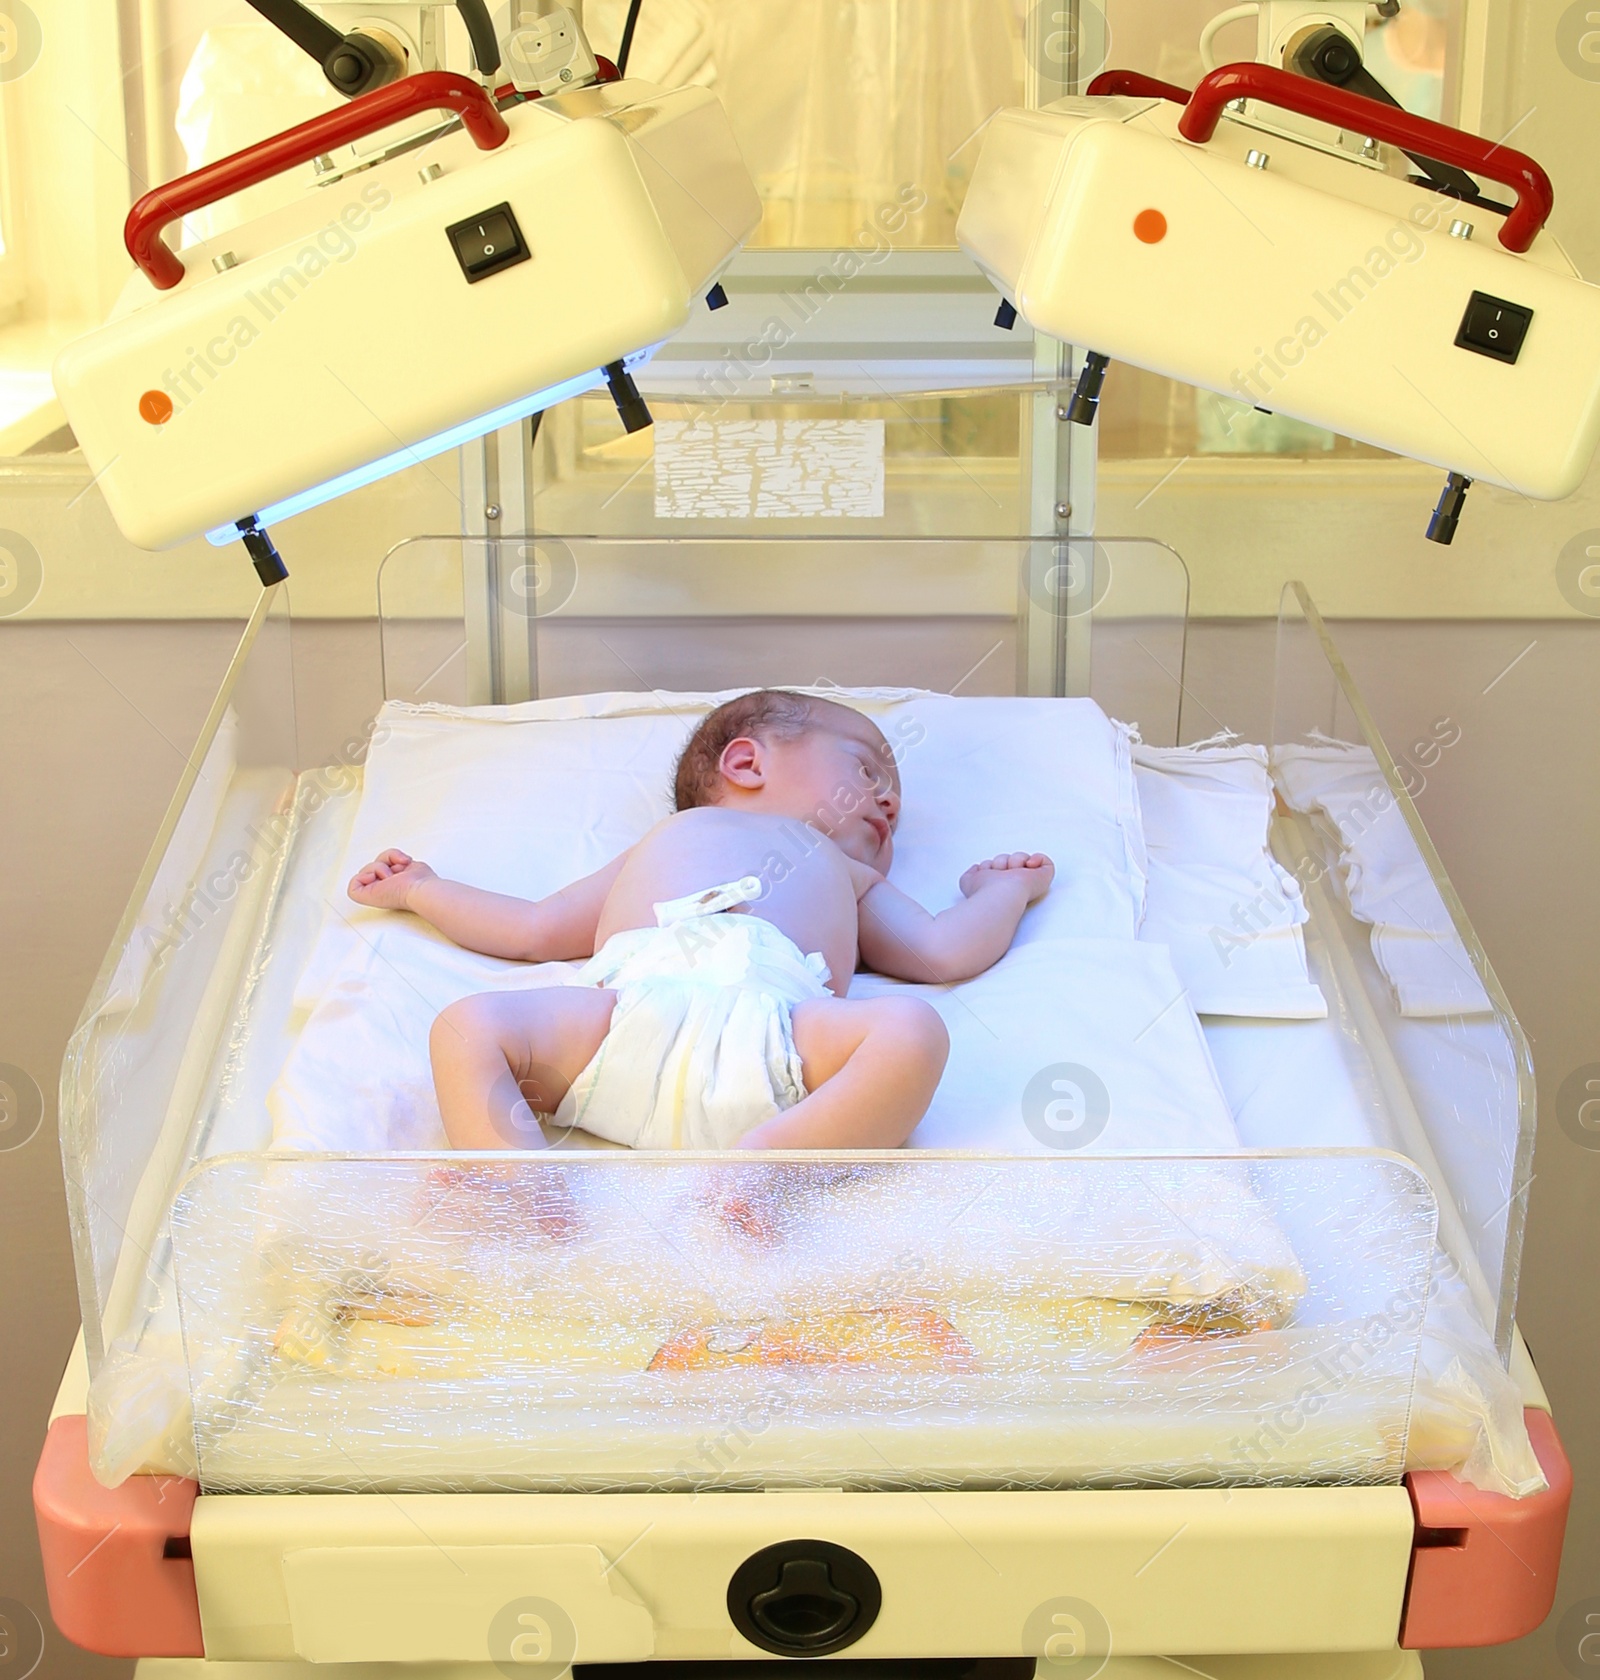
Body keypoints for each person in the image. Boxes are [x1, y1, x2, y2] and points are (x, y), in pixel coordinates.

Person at [348, 690, 1053, 1151]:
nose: (889, 803)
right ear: (745, 762)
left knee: (912, 1032)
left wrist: (1001, 893)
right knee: (465, 1028)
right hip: (619, 1026)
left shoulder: (846, 873)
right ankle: (519, 1186)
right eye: (868, 772)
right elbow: (533, 928)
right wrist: (424, 890)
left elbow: (941, 951)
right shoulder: (665, 841)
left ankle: (773, 1168)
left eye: (891, 797)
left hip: (779, 1044)